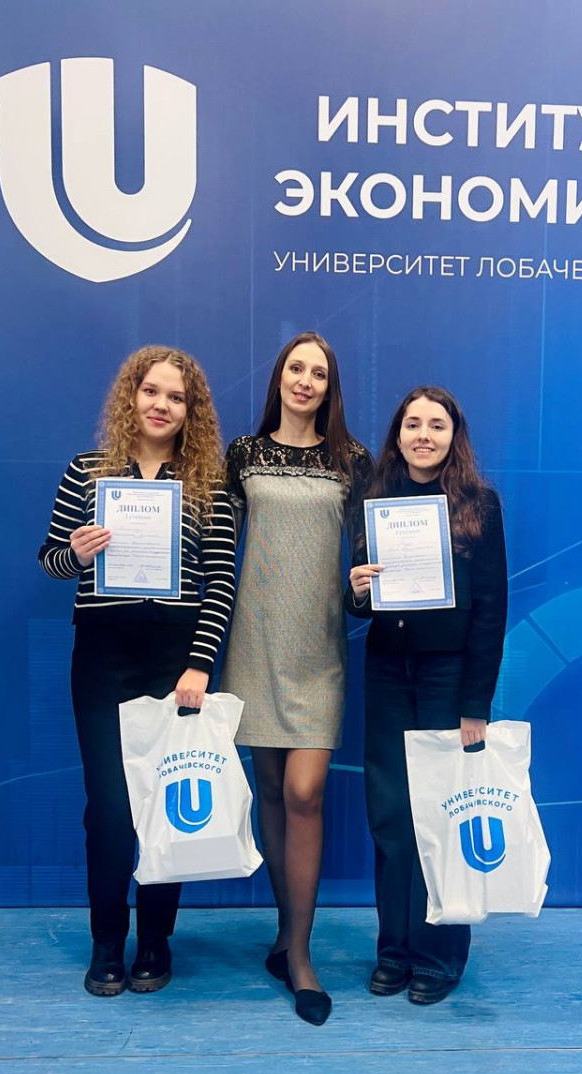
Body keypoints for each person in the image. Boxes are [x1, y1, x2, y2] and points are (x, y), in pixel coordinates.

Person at [38, 346, 235, 997]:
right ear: (132, 395)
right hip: (102, 655)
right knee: (109, 807)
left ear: (190, 411)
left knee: (167, 803)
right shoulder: (87, 471)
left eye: (176, 397)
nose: (161, 405)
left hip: (176, 659)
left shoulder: (210, 481)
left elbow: (220, 581)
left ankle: (154, 940)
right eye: (151, 391)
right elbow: (50, 560)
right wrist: (75, 552)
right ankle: (106, 943)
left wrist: (200, 664)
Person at [221, 332, 372, 1025]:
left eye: (319, 373)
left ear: (330, 387)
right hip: (254, 644)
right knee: (273, 794)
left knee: (305, 792)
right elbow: (219, 547)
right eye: (296, 368)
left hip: (318, 649)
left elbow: (365, 567)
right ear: (278, 377)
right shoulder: (243, 455)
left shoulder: (352, 461)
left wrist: (360, 593)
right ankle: (284, 936)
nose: (306, 381)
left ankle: (303, 956)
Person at [347, 386, 507, 1005]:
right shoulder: (374, 499)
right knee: (391, 816)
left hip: (449, 677)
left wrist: (476, 704)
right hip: (387, 671)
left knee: (442, 815)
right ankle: (394, 949)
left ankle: (440, 955)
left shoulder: (480, 505)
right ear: (397, 434)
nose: (423, 435)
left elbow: (491, 608)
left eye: (436, 425)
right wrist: (357, 590)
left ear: (452, 436)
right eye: (412, 424)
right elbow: (357, 603)